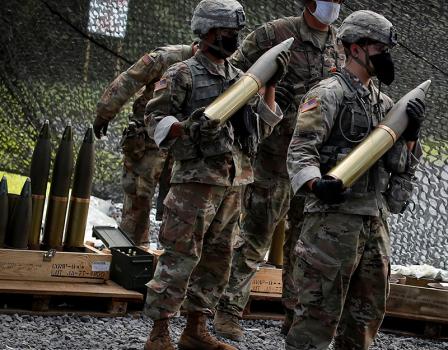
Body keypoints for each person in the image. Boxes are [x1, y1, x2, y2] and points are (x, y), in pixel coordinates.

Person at [141, 0, 287, 349]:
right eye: (228, 33)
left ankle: (195, 329)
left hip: (232, 185)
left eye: (236, 33)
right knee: (179, 257)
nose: (233, 39)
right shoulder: (182, 74)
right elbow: (154, 120)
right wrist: (188, 126)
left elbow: (259, 132)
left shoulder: (240, 80)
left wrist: (269, 86)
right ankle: (159, 333)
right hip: (194, 184)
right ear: (207, 32)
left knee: (218, 261)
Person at [285, 10, 426, 349]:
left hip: (373, 223)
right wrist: (316, 185)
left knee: (365, 317)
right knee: (316, 316)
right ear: (356, 48)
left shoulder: (386, 105)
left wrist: (411, 138)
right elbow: (301, 151)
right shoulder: (328, 94)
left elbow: (399, 166)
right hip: (331, 224)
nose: (386, 56)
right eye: (380, 47)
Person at [214, 0, 345, 340]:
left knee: (303, 244)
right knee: (255, 237)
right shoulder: (274, 35)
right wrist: (266, 90)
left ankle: (293, 315)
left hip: (311, 164)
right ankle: (228, 310)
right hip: (272, 157)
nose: (335, 5)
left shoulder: (340, 45)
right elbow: (233, 79)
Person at [94, 42, 197, 246]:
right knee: (138, 200)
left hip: (183, 145)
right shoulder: (166, 58)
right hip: (148, 141)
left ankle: (168, 261)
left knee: (177, 208)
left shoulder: (217, 66)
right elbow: (130, 79)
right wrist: (105, 112)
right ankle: (132, 254)